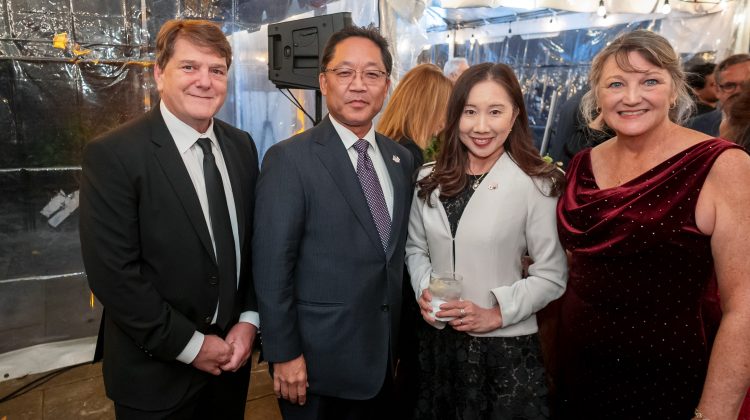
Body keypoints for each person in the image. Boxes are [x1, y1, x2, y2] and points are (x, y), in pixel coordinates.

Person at [556, 29, 750, 419]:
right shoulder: (582, 163)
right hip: (577, 370)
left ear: (675, 89)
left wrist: (715, 413)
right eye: (616, 84)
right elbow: (577, 264)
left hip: (668, 381)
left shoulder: (722, 165)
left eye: (650, 81)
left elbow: (744, 307)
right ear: (598, 95)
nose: (631, 97)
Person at [79, 19, 259, 419]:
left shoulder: (242, 146)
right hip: (155, 379)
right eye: (189, 67)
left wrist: (249, 320)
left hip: (232, 366)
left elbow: (253, 246)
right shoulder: (114, 155)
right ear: (160, 74)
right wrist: (192, 347)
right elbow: (114, 275)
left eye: (217, 70)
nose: (205, 81)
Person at [253, 25, 414, 420]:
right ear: (324, 82)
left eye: (372, 74)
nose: (358, 85)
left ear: (387, 85)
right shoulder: (290, 159)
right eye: (345, 73)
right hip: (316, 367)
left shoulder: (400, 159)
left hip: (383, 361)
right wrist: (284, 353)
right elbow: (272, 267)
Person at [405, 62, 568, 419]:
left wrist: (497, 313)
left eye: (495, 112)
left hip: (504, 350)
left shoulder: (538, 183)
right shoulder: (428, 179)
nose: (481, 127)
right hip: (438, 344)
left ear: (514, 116)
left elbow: (552, 276)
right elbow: (415, 248)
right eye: (470, 112)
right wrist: (424, 290)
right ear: (454, 116)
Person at [377, 63, 453, 168]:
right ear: (426, 109)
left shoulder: (388, 142)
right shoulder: (410, 153)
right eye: (443, 110)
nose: (445, 120)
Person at [688, 54, 750, 136]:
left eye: (747, 85)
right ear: (717, 90)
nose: (739, 91)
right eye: (730, 86)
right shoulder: (694, 127)